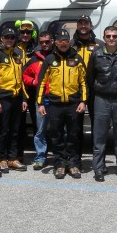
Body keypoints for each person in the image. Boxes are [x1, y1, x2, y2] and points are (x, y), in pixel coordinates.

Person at [37, 29, 87, 179]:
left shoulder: (77, 59)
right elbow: (41, 83)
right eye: (60, 41)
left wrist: (84, 101)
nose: (63, 44)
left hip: (73, 104)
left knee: (74, 135)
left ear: (69, 42)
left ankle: (73, 164)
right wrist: (40, 103)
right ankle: (59, 164)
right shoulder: (50, 59)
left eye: (66, 41)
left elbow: (84, 83)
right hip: (55, 104)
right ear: (56, 42)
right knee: (56, 135)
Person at [87, 25, 117, 182]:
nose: (112, 39)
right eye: (108, 36)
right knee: (100, 136)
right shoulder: (96, 54)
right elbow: (90, 77)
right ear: (104, 37)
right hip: (102, 99)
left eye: (114, 36)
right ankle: (99, 168)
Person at [0, 27, 29, 172]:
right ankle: (2, 158)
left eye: (12, 37)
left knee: (15, 130)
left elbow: (21, 79)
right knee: (3, 130)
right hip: (3, 99)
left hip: (17, 98)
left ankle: (12, 159)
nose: (9, 40)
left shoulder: (17, 55)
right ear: (1, 39)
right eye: (7, 37)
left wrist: (24, 98)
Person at [71, 14, 103, 164]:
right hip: (76, 90)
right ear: (77, 25)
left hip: (96, 89)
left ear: (91, 25)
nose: (83, 26)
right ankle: (76, 159)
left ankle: (98, 159)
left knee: (98, 124)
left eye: (86, 23)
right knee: (76, 125)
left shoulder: (99, 45)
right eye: (80, 23)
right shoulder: (70, 45)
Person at [23, 31, 54, 170]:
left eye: (47, 41)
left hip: (58, 99)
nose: (45, 44)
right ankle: (40, 157)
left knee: (59, 130)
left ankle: (60, 157)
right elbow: (23, 75)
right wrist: (34, 81)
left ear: (52, 41)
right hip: (41, 99)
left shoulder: (58, 56)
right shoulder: (35, 59)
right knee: (40, 130)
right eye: (42, 42)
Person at [16, 20, 38, 161]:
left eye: (28, 32)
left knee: (38, 123)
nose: (25, 34)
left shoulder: (37, 49)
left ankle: (40, 154)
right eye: (22, 32)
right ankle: (18, 154)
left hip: (34, 90)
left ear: (32, 34)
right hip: (18, 91)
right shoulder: (14, 49)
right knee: (19, 124)